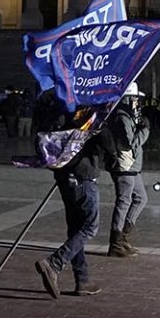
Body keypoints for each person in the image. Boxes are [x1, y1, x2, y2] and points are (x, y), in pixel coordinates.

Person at [34, 110, 113, 297]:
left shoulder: (63, 110)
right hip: (83, 176)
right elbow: (111, 147)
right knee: (90, 227)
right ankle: (54, 263)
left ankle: (82, 280)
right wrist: (104, 124)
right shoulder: (90, 116)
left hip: (63, 176)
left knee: (76, 229)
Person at [105, 82, 151, 258]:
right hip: (125, 165)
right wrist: (145, 130)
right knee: (124, 201)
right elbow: (130, 142)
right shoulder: (122, 116)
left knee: (141, 198)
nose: (138, 102)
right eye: (135, 98)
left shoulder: (127, 115)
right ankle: (116, 242)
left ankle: (123, 236)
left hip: (131, 165)